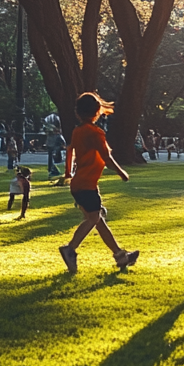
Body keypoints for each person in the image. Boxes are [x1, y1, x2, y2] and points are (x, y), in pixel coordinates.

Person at [59, 93, 139, 273]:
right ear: (97, 112)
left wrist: (67, 172)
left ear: (77, 112)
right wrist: (122, 172)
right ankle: (70, 249)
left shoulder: (77, 131)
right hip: (86, 184)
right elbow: (106, 157)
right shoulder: (95, 132)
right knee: (94, 218)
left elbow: (70, 150)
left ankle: (120, 256)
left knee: (97, 219)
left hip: (79, 184)